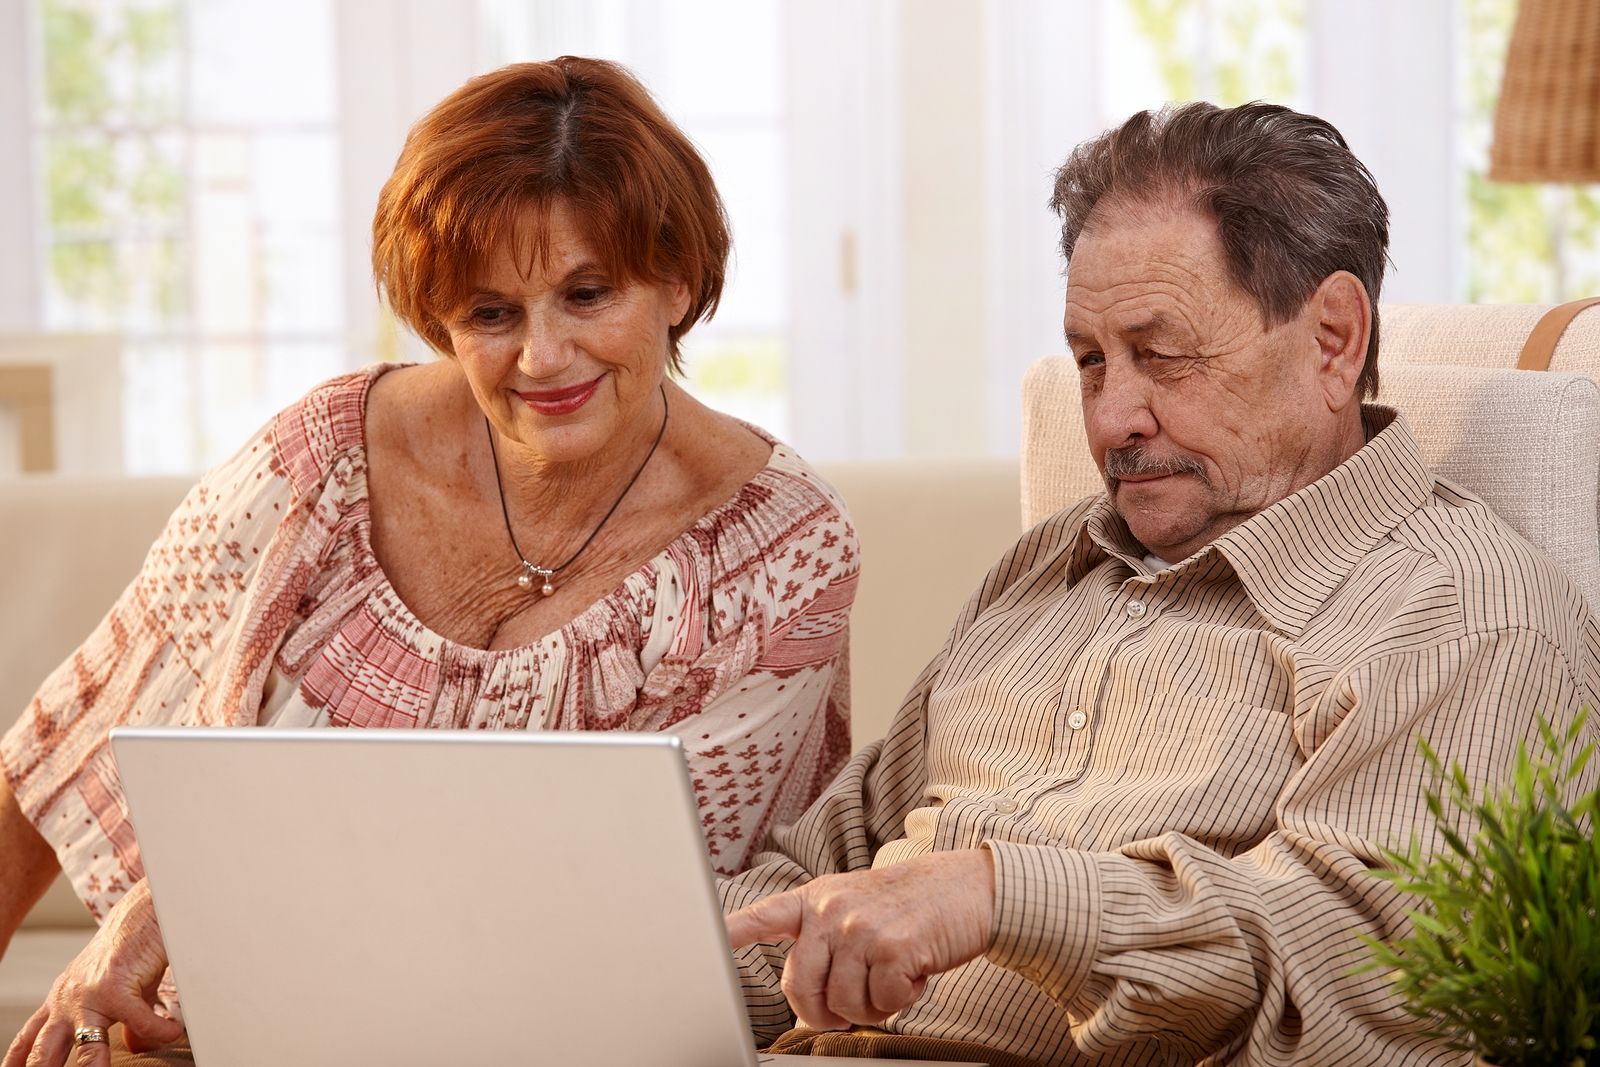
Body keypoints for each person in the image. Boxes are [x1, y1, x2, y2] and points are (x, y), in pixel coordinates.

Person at [0, 58, 857, 1067]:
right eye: (491, 313)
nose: (543, 357)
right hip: (221, 1031)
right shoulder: (321, 458)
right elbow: (52, 749)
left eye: (587, 294)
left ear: (675, 278)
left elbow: (632, 918)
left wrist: (191, 891)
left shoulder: (782, 550)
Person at [722, 102, 1600, 1066]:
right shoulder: (1052, 566)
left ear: (1334, 339)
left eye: (1162, 355)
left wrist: (998, 896)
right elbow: (822, 864)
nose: (1109, 420)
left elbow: (1359, 988)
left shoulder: (1458, 614)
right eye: (1092, 360)